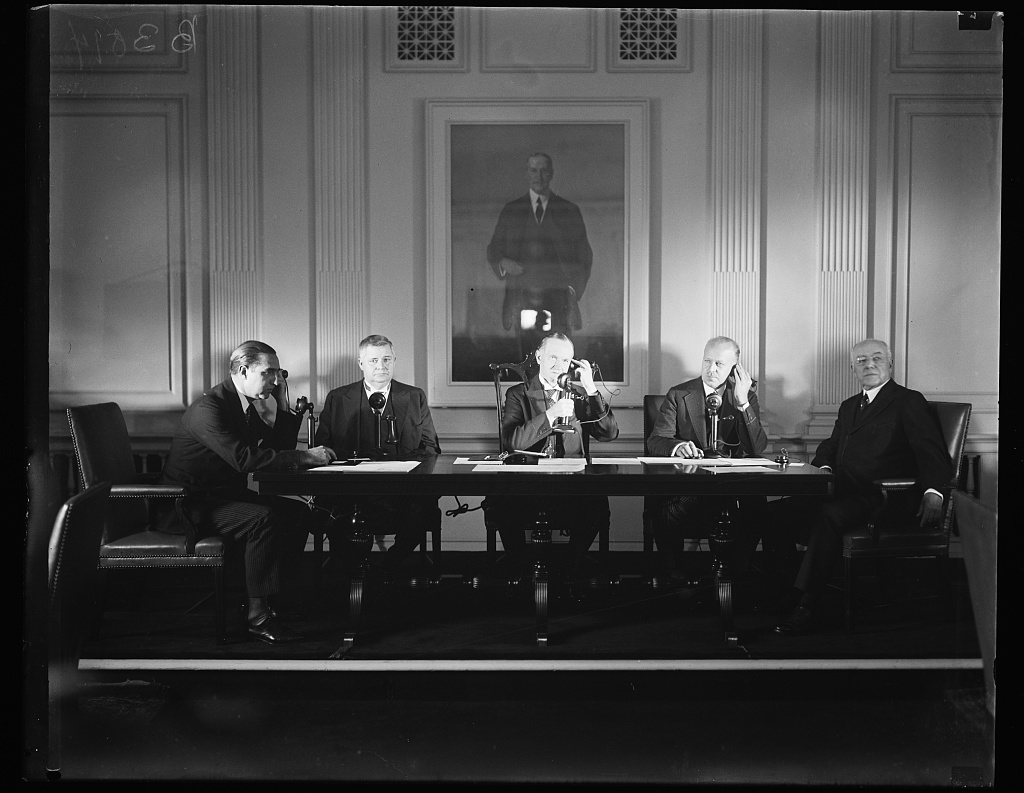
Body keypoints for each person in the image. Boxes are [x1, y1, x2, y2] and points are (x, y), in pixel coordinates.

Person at [159, 340, 338, 645]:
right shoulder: (209, 408)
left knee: (296, 512)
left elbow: (275, 447)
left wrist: (282, 404)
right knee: (263, 518)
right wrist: (305, 457)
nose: (276, 380)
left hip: (219, 497)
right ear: (243, 370)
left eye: (278, 373)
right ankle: (258, 618)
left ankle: (276, 599)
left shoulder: (241, 405)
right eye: (269, 373)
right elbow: (243, 459)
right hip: (187, 507)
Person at [770, 338, 952, 635]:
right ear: (853, 369)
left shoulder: (908, 401)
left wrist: (935, 493)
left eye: (877, 358)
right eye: (862, 361)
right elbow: (829, 447)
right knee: (779, 512)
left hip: (887, 498)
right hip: (847, 492)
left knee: (830, 515)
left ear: (890, 363)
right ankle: (789, 591)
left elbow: (931, 453)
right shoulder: (849, 406)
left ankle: (808, 604)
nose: (869, 365)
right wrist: (825, 468)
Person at [484, 332, 618, 593]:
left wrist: (591, 389)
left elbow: (609, 433)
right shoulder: (518, 394)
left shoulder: (581, 394)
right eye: (553, 357)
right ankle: (522, 573)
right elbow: (513, 441)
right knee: (502, 503)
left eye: (565, 360)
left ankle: (567, 571)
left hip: (572, 487)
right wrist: (550, 415)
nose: (559, 365)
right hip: (528, 487)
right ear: (539, 357)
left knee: (597, 505)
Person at [646, 336, 769, 588]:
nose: (711, 369)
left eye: (719, 364)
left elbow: (757, 448)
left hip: (731, 489)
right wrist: (678, 446)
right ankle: (675, 576)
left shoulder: (745, 397)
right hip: (691, 489)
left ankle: (734, 577)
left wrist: (743, 402)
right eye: (707, 361)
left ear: (734, 369)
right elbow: (656, 440)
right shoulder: (679, 394)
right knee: (665, 509)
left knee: (757, 505)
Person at [314, 334, 442, 576]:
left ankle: (390, 566)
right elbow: (323, 448)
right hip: (351, 492)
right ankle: (356, 571)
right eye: (373, 360)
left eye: (386, 359)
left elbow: (431, 447)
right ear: (361, 363)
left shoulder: (414, 396)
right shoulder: (338, 398)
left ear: (394, 360)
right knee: (334, 511)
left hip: (402, 492)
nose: (381, 366)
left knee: (422, 508)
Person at [486, 152, 594, 360]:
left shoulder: (569, 211)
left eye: (544, 171)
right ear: (527, 173)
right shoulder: (512, 210)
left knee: (558, 354)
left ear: (551, 174)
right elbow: (494, 249)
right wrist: (503, 262)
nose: (539, 176)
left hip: (558, 298)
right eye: (534, 170)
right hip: (521, 297)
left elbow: (584, 257)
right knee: (525, 356)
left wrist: (572, 290)